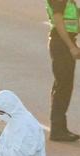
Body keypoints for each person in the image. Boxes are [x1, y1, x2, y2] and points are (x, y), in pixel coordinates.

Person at [47, 0, 80, 141]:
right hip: (61, 43)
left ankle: (60, 127)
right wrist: (71, 46)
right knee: (63, 86)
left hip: (65, 42)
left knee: (65, 86)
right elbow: (58, 20)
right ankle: (57, 130)